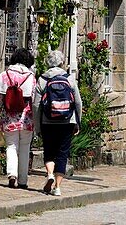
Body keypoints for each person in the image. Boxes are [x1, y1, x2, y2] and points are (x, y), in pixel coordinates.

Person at [32, 49, 83, 196]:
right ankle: (58, 187)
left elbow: (36, 105)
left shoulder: (42, 79)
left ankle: (49, 174)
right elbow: (78, 102)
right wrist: (77, 122)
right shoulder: (70, 79)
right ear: (62, 63)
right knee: (62, 153)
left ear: (48, 63)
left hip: (47, 121)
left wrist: (38, 125)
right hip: (67, 121)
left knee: (49, 151)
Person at [0, 47, 36, 189]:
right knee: (24, 148)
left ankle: (12, 174)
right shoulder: (31, 76)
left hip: (9, 117)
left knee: (11, 146)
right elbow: (34, 99)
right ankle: (23, 180)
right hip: (26, 118)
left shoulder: (4, 75)